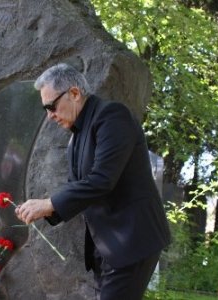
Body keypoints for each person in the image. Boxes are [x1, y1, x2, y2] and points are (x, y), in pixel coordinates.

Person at [15, 63, 171, 300]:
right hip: (108, 246)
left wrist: (49, 204)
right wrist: (42, 209)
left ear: (75, 93)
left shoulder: (112, 116)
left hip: (133, 240)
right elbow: (78, 186)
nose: (49, 116)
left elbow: (101, 180)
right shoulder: (77, 134)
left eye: (52, 106)